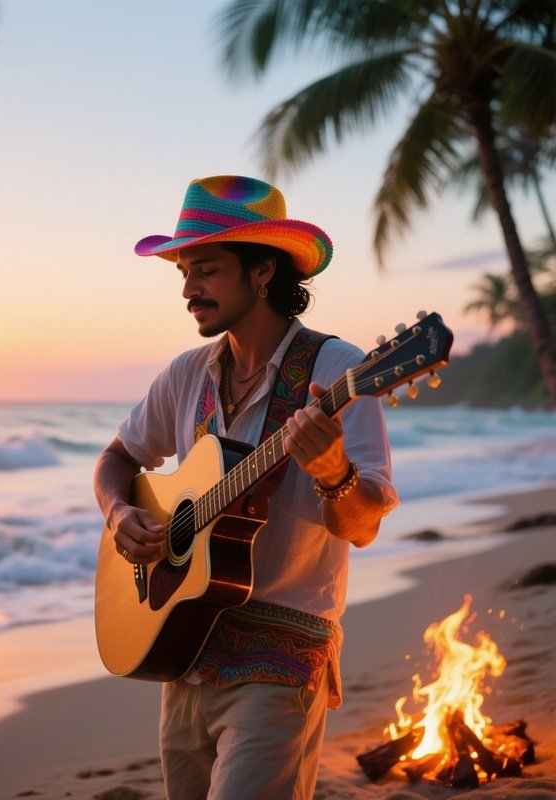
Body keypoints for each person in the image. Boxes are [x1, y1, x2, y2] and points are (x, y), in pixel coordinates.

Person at [94, 175, 398, 799]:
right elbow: (117, 458)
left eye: (204, 269)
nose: (187, 289)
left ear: (262, 271)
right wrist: (119, 510)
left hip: (280, 655)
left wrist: (334, 473)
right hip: (182, 647)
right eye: (183, 270)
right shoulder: (187, 372)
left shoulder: (338, 370)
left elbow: (363, 525)